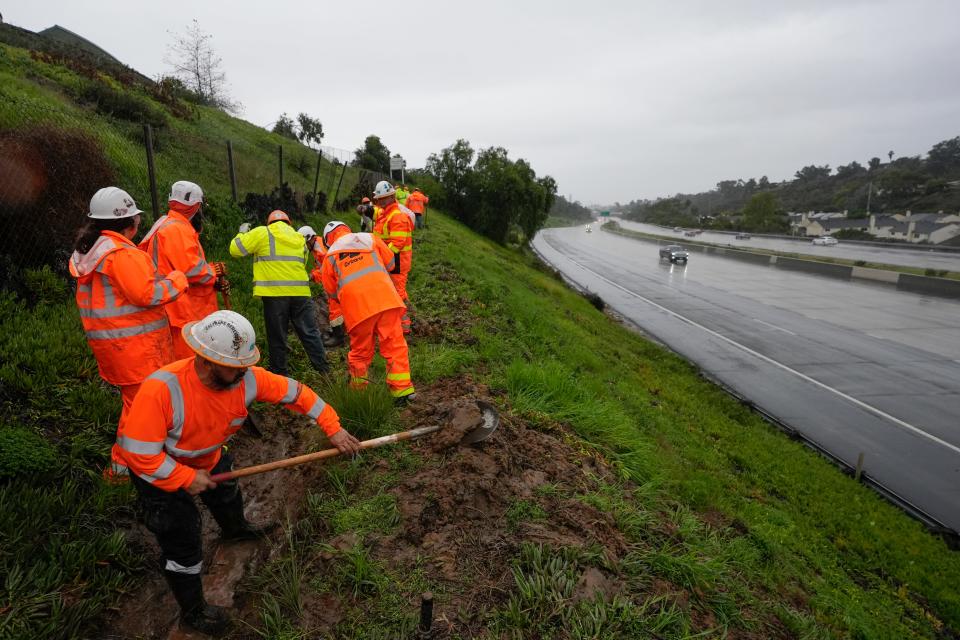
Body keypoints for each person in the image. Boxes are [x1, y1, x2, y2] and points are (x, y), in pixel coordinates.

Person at [111, 309, 360, 635]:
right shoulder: (161, 390)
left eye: (244, 364)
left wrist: (333, 427)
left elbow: (297, 393)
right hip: (158, 473)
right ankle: (193, 612)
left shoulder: (248, 378)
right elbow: (139, 455)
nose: (244, 372)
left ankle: (237, 530)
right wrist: (185, 479)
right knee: (183, 538)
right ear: (205, 360)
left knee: (227, 495)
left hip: (208, 457)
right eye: (234, 367)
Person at [69, 187, 187, 424]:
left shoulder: (92, 250)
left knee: (138, 407)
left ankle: (136, 455)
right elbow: (146, 294)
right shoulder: (122, 255)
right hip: (138, 351)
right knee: (143, 413)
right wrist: (177, 280)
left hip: (118, 347)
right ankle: (130, 458)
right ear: (129, 222)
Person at [320, 221, 415, 403]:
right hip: (386, 299)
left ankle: (359, 393)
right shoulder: (369, 238)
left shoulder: (329, 256)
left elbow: (332, 292)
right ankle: (402, 392)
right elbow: (390, 263)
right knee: (394, 345)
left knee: (360, 353)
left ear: (327, 240)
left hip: (358, 310)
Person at [230, 210, 329, 376]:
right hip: (301, 292)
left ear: (270, 223)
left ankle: (279, 374)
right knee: (310, 332)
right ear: (288, 223)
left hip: (275, 294)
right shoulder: (299, 238)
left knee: (277, 336)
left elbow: (235, 250)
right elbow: (302, 263)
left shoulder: (263, 232)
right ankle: (325, 371)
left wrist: (242, 232)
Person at [139, 181, 223, 359]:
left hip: (172, 302)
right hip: (179, 307)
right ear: (196, 206)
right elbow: (191, 268)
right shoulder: (177, 228)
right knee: (189, 359)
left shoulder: (168, 224)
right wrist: (213, 273)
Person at [371, 180, 415, 334]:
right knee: (394, 291)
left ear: (390, 197)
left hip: (397, 262)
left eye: (381, 199)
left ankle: (404, 325)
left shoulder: (397, 217)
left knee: (398, 293)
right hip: (392, 261)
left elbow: (397, 244)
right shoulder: (386, 213)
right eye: (378, 199)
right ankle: (400, 319)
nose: (379, 202)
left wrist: (381, 257)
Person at [298, 225, 345, 348]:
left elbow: (326, 268)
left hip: (335, 279)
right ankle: (343, 332)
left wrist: (312, 276)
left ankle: (339, 337)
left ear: (309, 239)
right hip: (337, 278)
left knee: (335, 308)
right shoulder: (317, 246)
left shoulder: (320, 248)